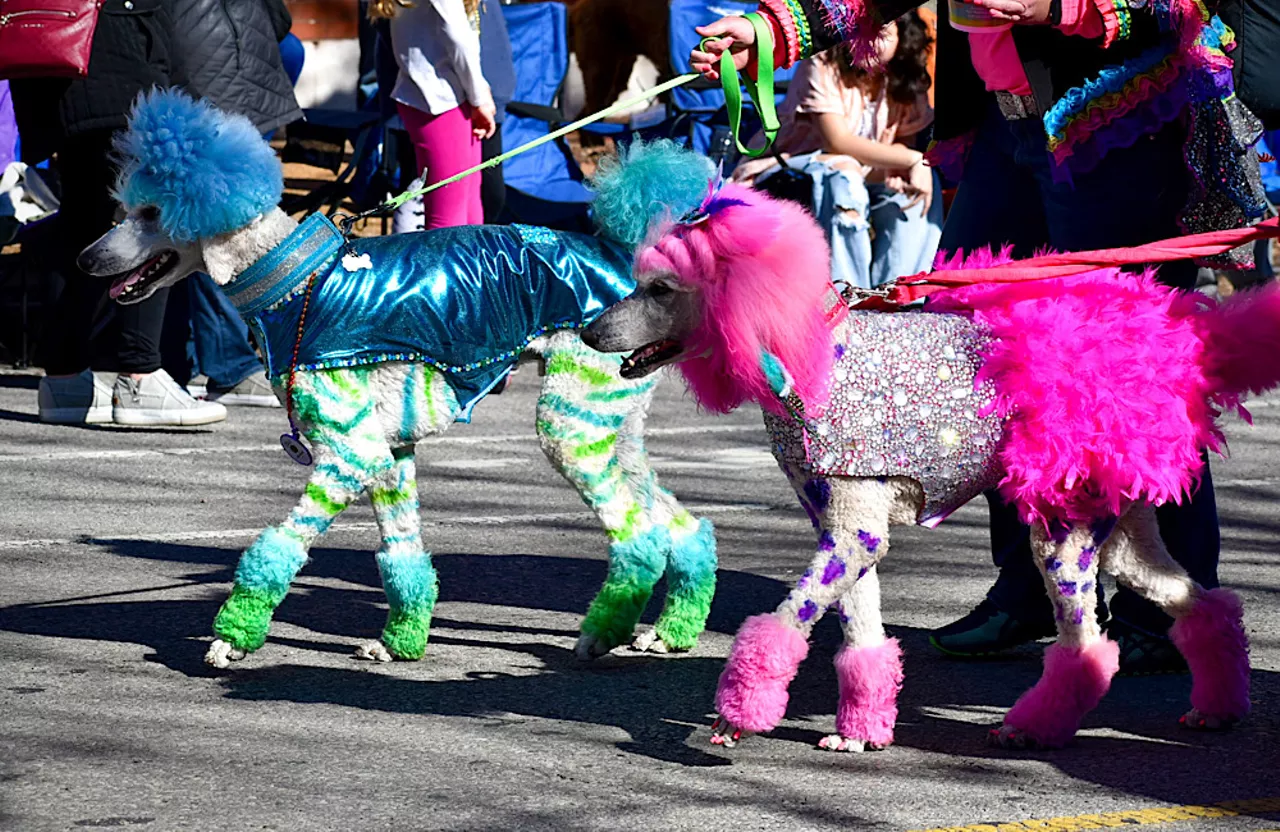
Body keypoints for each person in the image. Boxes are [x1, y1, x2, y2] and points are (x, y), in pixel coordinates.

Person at [691, 0, 1267, 673]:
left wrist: (1060, 4)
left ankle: (1165, 606)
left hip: (1118, 117)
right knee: (976, 341)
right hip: (1003, 120)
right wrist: (770, 30)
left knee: (1133, 369)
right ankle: (1030, 590)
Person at [11, 0, 226, 426]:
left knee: (82, 219)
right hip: (118, 57)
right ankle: (139, 376)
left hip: (68, 65)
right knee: (155, 218)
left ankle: (65, 380)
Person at [732, 12, 941, 291]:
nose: (873, 43)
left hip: (865, 172)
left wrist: (906, 168)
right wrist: (913, 159)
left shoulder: (906, 73)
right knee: (843, 171)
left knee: (920, 184)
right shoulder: (823, 61)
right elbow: (837, 141)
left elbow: (902, 142)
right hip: (793, 166)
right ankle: (847, 293)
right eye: (864, 33)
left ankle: (900, 292)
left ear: (904, 36)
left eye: (885, 34)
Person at [161, 0, 303, 407]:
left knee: (190, 228)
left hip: (215, 83)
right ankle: (229, 364)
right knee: (217, 230)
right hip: (227, 82)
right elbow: (281, 23)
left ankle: (180, 362)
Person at [373, 0, 497, 229]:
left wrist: (477, 92)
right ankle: (442, 265)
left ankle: (471, 264)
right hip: (439, 99)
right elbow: (458, 38)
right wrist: (480, 97)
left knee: (469, 212)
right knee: (447, 221)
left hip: (446, 94)